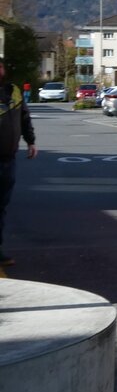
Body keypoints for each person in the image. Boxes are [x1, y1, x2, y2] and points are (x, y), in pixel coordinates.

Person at [0, 58, 38, 268]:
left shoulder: (13, 91)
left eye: (0, 66)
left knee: (1, 207)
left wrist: (30, 141)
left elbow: (24, 118)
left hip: (8, 159)